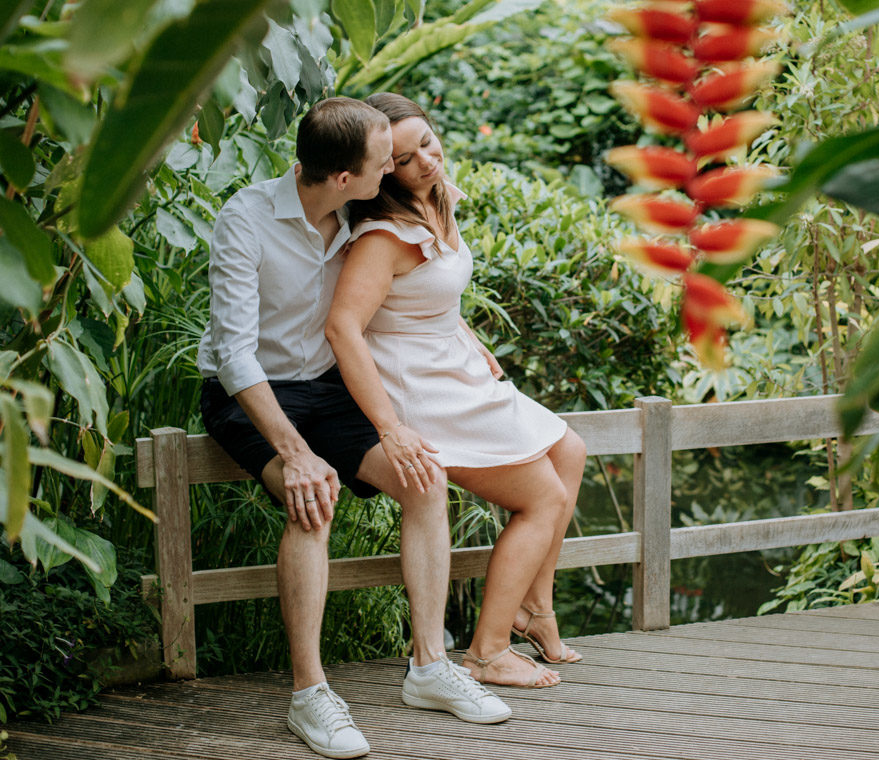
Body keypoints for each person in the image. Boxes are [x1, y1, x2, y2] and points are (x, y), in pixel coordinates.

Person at [197, 97, 512, 759]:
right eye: (384, 163)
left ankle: (428, 668)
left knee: (425, 481)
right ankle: (309, 695)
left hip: (327, 388)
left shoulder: (360, 210)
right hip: (251, 392)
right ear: (343, 177)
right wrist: (295, 452)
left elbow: (432, 267)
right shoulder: (246, 219)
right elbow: (233, 355)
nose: (395, 171)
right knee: (312, 501)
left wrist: (465, 335)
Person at [325, 93, 588, 691]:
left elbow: (431, 292)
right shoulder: (383, 236)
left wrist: (467, 333)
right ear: (379, 168)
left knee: (569, 450)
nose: (425, 160)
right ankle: (487, 651)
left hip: (457, 366)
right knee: (542, 499)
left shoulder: (437, 198)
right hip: (422, 388)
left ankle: (534, 610)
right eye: (403, 157)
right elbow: (343, 327)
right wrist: (390, 425)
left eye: (427, 141)